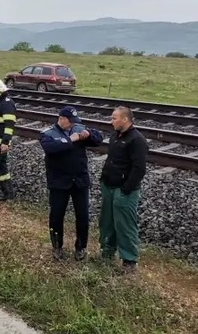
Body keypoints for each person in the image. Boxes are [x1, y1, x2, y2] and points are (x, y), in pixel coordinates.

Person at [40, 106, 104, 261]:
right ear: (61, 119)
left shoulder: (78, 128)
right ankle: (57, 247)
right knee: (56, 216)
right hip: (59, 182)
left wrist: (89, 134)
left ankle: (81, 247)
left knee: (82, 216)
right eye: (70, 122)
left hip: (79, 181)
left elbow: (98, 138)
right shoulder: (48, 133)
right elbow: (50, 148)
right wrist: (70, 140)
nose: (73, 125)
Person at [99, 106, 148, 274]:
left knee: (125, 225)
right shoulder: (115, 136)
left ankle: (129, 261)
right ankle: (106, 253)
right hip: (109, 187)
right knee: (107, 223)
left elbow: (139, 168)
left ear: (125, 120)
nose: (111, 121)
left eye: (114, 118)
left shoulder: (137, 140)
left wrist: (126, 188)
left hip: (123, 191)